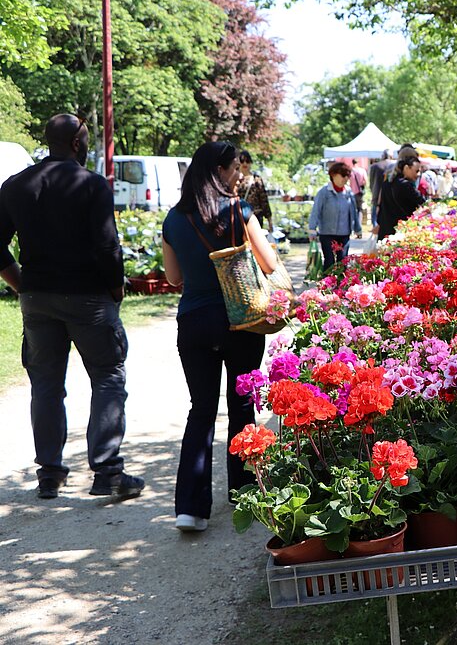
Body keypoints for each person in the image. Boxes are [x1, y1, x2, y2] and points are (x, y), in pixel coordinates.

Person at [0, 113, 144, 500]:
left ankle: (49, 474)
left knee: (45, 385)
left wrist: (20, 283)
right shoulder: (92, 184)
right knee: (108, 377)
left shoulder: (16, 184)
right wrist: (116, 287)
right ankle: (108, 472)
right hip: (89, 298)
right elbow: (106, 245)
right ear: (78, 144)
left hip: (37, 299)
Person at [161, 141, 279, 532]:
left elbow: (173, 278)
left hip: (194, 323)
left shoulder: (174, 219)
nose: (238, 175)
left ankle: (190, 509)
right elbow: (270, 262)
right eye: (233, 169)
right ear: (220, 171)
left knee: (201, 409)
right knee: (242, 406)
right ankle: (244, 492)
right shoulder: (239, 212)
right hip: (239, 320)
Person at [309, 161, 362, 268]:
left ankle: (340, 284)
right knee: (329, 262)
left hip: (344, 234)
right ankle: (327, 284)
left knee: (343, 262)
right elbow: (316, 211)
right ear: (333, 175)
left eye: (348, 176)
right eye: (343, 175)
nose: (346, 179)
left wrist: (357, 228)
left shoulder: (348, 192)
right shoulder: (324, 192)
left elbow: (353, 212)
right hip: (327, 233)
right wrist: (312, 230)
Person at [377, 155, 426, 240]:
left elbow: (381, 206)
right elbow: (422, 201)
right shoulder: (406, 185)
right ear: (407, 168)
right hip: (400, 232)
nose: (418, 175)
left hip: (385, 230)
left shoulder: (387, 183)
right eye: (416, 171)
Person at [236, 150, 273, 233]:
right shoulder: (234, 180)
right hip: (238, 217)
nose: (245, 163)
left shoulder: (257, 180)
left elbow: (264, 200)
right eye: (242, 161)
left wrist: (270, 221)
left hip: (255, 216)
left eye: (247, 161)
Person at [349, 159, 368, 225]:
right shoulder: (362, 170)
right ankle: (359, 225)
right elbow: (365, 181)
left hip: (351, 192)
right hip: (359, 193)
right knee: (359, 209)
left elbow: (348, 182)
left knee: (352, 209)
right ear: (358, 162)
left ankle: (353, 225)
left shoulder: (350, 171)